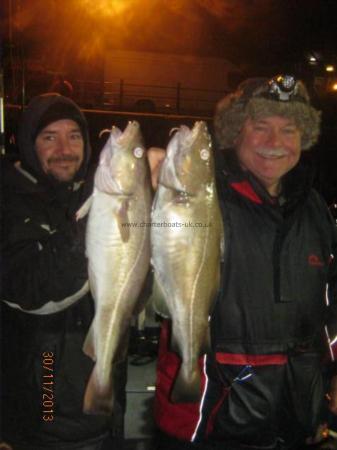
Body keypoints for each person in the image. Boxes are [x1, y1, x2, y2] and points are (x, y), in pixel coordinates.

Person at [153, 75, 337, 450]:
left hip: (298, 418)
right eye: (260, 127)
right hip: (208, 419)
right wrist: (144, 193)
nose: (275, 143)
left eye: (289, 129)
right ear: (236, 132)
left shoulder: (316, 208)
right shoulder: (202, 196)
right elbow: (131, 247)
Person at [0, 93, 126, 450]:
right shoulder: (8, 199)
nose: (65, 149)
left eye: (74, 136)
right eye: (49, 137)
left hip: (105, 407)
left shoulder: (96, 190)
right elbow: (28, 289)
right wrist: (99, 224)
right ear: (28, 142)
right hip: (41, 413)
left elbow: (134, 287)